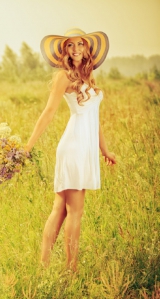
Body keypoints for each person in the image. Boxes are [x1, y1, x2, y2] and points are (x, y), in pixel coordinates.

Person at [24, 28, 116, 272]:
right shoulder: (63, 77)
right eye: (70, 46)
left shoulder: (87, 76)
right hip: (74, 145)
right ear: (64, 50)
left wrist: (105, 151)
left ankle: (43, 268)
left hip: (86, 146)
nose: (75, 49)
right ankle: (70, 270)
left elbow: (94, 119)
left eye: (80, 45)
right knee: (74, 211)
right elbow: (49, 112)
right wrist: (27, 146)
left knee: (61, 210)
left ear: (86, 48)